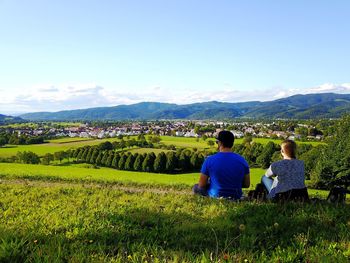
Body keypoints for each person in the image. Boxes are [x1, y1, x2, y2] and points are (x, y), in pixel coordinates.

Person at [193, 130, 250, 199]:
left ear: (220, 143)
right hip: (236, 196)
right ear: (232, 143)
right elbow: (247, 184)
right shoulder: (242, 160)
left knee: (196, 187)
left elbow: (201, 185)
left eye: (217, 142)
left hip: (215, 197)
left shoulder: (209, 160)